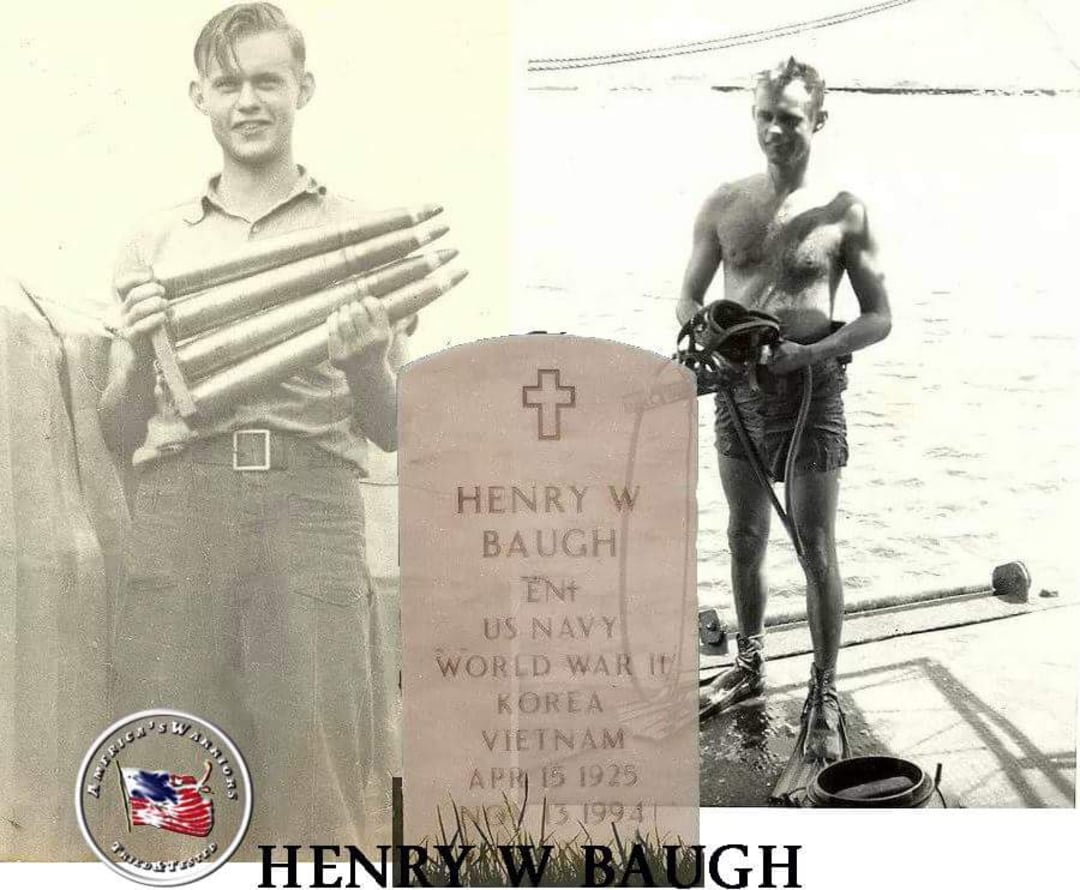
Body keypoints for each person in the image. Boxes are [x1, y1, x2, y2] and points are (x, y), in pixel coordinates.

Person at [99, 3, 408, 850]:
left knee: (318, 754)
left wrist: (363, 358)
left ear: (302, 88)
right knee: (165, 747)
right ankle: (169, 864)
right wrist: (132, 352)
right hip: (180, 503)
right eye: (228, 83)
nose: (248, 100)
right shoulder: (152, 242)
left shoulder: (362, 233)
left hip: (310, 502)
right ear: (198, 96)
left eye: (267, 80)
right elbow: (118, 432)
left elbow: (390, 426)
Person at [679, 57, 892, 760]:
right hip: (738, 392)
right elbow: (686, 297)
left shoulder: (844, 212)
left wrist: (808, 354)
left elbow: (878, 317)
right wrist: (704, 329)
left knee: (815, 548)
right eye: (765, 116)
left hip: (812, 392)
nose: (776, 130)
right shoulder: (721, 204)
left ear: (818, 122)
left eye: (791, 119)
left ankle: (824, 689)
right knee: (743, 535)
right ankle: (749, 661)